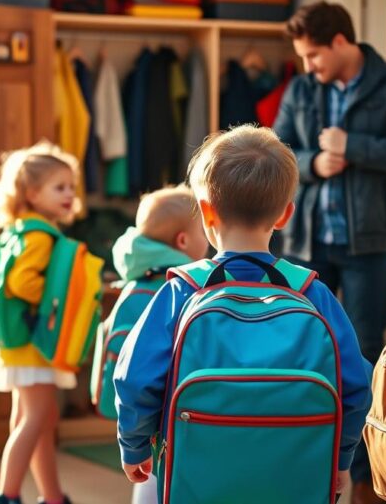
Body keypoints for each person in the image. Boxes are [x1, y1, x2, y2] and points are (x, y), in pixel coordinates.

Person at [114, 126, 371, 501]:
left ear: (205, 212)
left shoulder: (182, 289)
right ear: (285, 214)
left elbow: (136, 378)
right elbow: (355, 384)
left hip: (199, 475)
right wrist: (341, 456)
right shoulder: (312, 292)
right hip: (295, 475)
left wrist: (134, 445)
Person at [273, 1, 386, 501]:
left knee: (365, 353)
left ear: (339, 42)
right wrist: (313, 163)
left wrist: (352, 146)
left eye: (313, 55)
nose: (308, 66)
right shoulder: (301, 88)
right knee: (300, 347)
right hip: (308, 241)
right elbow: (279, 149)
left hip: (369, 241)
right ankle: (303, 461)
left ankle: (364, 480)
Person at [0, 142, 84, 504]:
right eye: (60, 188)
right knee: (37, 417)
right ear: (31, 193)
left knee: (36, 418)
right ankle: (7, 495)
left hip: (17, 344)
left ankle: (53, 496)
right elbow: (21, 282)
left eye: (71, 186)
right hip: (34, 342)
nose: (70, 194)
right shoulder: (40, 235)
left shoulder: (19, 229)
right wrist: (59, 296)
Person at [108, 185, 209, 504]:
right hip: (178, 413)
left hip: (144, 413)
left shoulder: (138, 277)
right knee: (164, 477)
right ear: (183, 241)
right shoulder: (180, 287)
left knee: (148, 476)